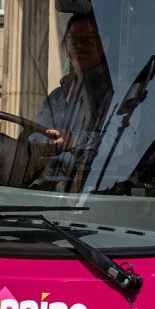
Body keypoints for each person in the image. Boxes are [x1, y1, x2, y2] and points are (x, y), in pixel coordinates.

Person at [34, 12, 113, 188]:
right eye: (75, 38)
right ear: (65, 47)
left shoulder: (114, 94)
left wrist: (74, 140)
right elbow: (34, 134)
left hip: (96, 189)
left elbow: (120, 141)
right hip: (49, 190)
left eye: (89, 39)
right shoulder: (56, 97)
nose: (81, 46)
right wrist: (45, 142)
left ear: (104, 45)